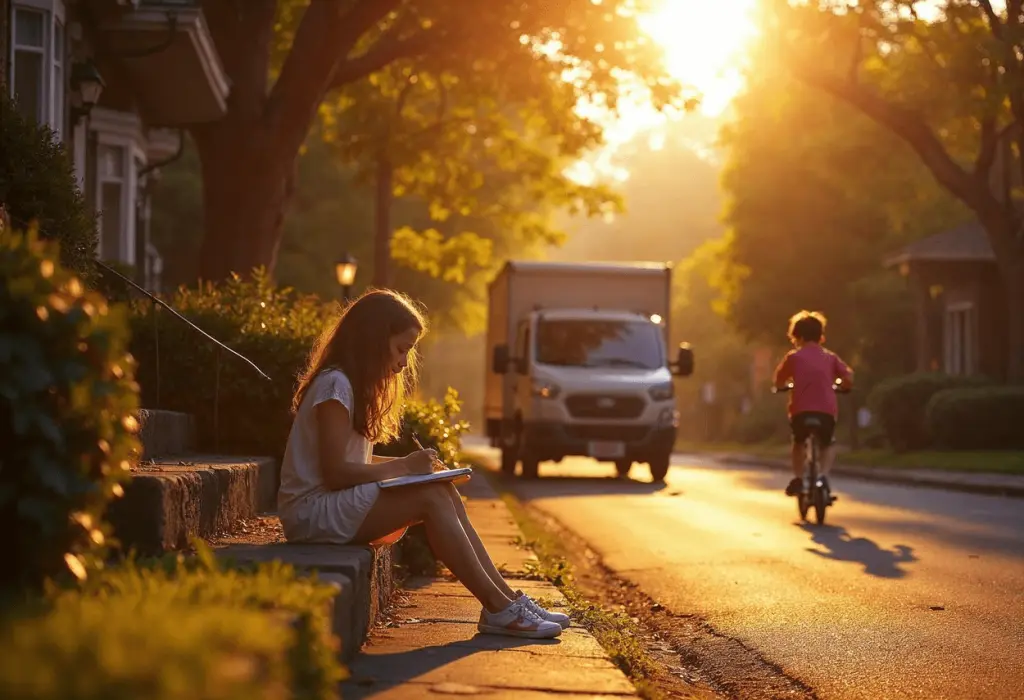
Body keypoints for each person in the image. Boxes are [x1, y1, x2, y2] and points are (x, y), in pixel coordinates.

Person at [278, 289, 568, 639]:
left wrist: (411, 466)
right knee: (429, 498)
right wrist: (405, 467)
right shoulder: (335, 386)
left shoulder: (349, 385)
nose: (403, 363)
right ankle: (498, 607)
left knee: (439, 487)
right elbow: (336, 473)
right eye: (401, 349)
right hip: (311, 514)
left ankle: (507, 599)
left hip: (330, 505)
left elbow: (355, 464)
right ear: (373, 341)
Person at [773, 310, 853, 497]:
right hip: (826, 411)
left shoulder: (793, 357)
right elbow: (848, 377)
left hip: (800, 411)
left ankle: (799, 478)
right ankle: (823, 476)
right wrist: (842, 385)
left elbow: (778, 380)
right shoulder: (830, 357)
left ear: (797, 336)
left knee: (798, 442)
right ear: (820, 336)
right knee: (828, 443)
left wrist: (782, 386)